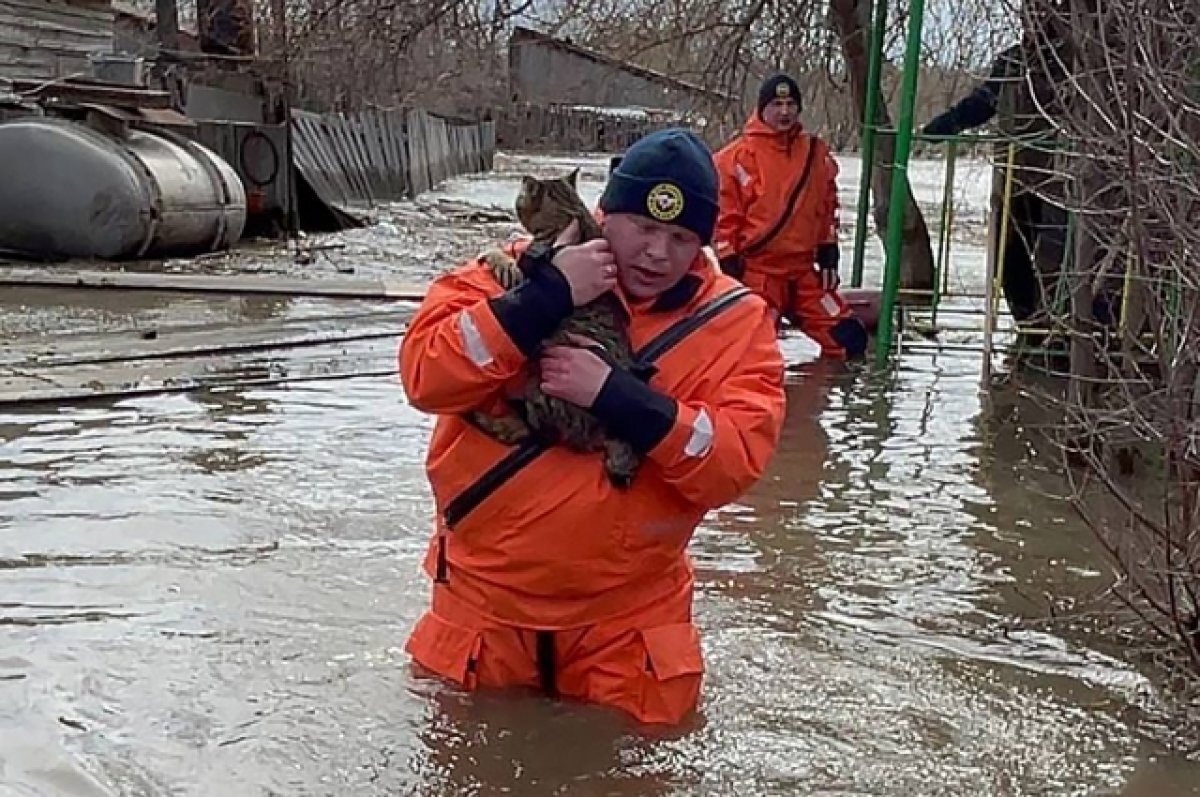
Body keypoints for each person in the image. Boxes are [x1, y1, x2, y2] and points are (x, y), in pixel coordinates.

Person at [397, 128, 787, 726]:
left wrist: (618, 396)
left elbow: (733, 464)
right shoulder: (510, 272)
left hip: (628, 630)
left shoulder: (734, 323)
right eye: (643, 227)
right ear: (603, 214)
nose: (658, 253)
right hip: (481, 614)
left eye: (682, 238)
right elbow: (425, 376)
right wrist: (545, 299)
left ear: (705, 244)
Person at [712, 73, 868, 359]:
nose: (784, 112)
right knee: (755, 357)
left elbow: (826, 208)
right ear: (762, 109)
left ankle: (825, 398)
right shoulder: (734, 159)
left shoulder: (815, 153)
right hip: (758, 275)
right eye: (776, 104)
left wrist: (829, 250)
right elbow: (723, 218)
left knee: (850, 340)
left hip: (804, 275)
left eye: (790, 104)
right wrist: (729, 264)